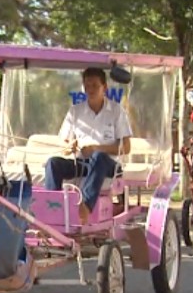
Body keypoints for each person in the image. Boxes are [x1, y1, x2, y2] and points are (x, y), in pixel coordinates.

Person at [44, 67, 132, 224]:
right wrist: (70, 145)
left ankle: (84, 207)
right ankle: (54, 210)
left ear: (104, 87)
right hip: (82, 163)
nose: (90, 90)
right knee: (53, 163)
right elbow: (64, 143)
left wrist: (95, 148)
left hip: (109, 165)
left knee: (98, 157)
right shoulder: (75, 111)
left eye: (94, 86)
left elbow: (126, 148)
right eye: (87, 86)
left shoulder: (116, 111)